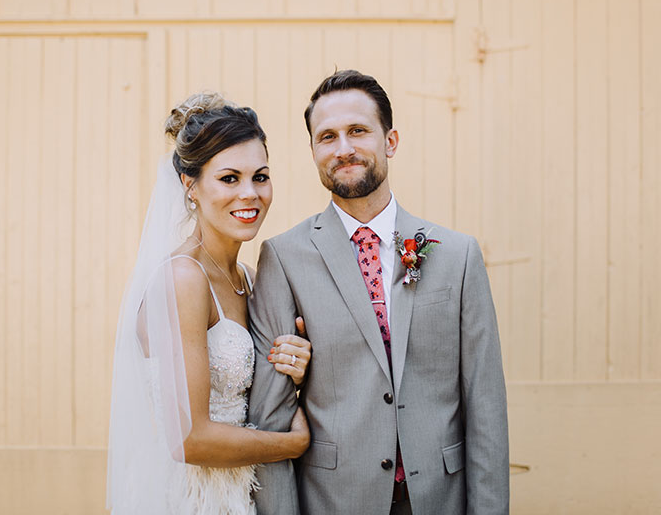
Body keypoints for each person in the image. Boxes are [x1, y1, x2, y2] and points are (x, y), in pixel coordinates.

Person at [247, 70, 509, 514]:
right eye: (327, 137)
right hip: (334, 501)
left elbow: (485, 406)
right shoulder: (283, 258)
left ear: (390, 141)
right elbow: (269, 421)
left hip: (439, 501)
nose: (343, 148)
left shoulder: (458, 256)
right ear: (313, 151)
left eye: (358, 131)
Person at [107, 92, 313, 515]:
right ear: (190, 185)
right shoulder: (184, 277)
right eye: (229, 178)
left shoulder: (247, 279)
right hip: (193, 500)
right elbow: (189, 438)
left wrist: (294, 365)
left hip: (241, 494)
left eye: (260, 176)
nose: (250, 194)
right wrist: (291, 444)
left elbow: (253, 395)